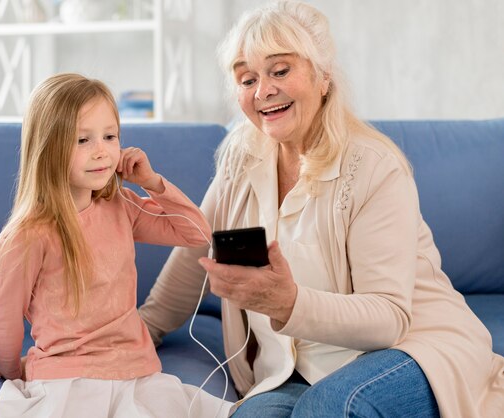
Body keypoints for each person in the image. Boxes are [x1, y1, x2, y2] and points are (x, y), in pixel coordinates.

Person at [138, 1, 504, 417]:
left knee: (330, 406)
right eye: (247, 78)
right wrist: (141, 330)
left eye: (280, 71)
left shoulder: (373, 166)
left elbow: (389, 318)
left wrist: (287, 303)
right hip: (289, 373)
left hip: (411, 347)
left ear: (323, 76)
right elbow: (195, 257)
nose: (263, 91)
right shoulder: (240, 161)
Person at [0, 73, 233, 418]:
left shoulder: (122, 205)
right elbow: (2, 319)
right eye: (82, 140)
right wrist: (9, 369)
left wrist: (152, 182)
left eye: (110, 136)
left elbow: (195, 233)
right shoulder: (29, 235)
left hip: (137, 373)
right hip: (67, 382)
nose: (101, 151)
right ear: (48, 148)